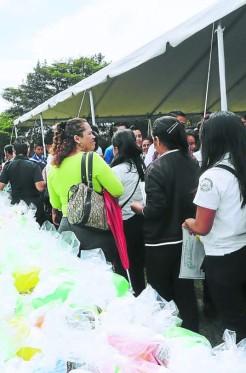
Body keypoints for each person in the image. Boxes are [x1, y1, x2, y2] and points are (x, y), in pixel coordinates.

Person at [183, 111, 246, 343]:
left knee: (233, 321)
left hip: (224, 257)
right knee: (237, 312)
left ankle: (243, 366)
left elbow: (201, 227)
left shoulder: (212, 176)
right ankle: (243, 359)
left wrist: (188, 222)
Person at [131, 117, 200, 331]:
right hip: (187, 236)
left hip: (160, 241)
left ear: (158, 140)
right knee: (186, 290)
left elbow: (155, 210)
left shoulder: (156, 167)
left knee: (161, 295)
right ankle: (192, 333)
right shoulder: (193, 162)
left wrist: (139, 208)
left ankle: (167, 336)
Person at [47, 118, 124, 263]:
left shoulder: (54, 168)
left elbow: (56, 204)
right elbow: (118, 190)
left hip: (66, 231)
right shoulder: (92, 158)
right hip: (93, 229)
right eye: (89, 133)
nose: (94, 136)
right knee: (100, 279)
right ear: (77, 138)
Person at [110, 130, 146, 295]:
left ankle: (131, 294)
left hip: (123, 223)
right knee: (138, 263)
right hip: (141, 219)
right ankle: (141, 291)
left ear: (116, 149)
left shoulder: (116, 171)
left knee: (125, 262)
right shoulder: (141, 165)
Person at [0, 138, 46, 224]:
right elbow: (40, 187)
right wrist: (44, 175)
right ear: (28, 150)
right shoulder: (35, 165)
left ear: (14, 151)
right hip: (34, 207)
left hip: (17, 207)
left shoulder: (8, 166)